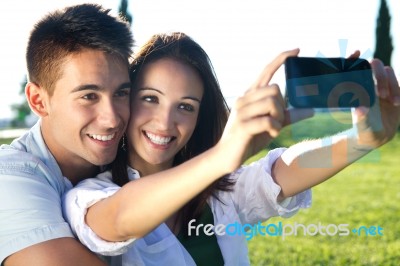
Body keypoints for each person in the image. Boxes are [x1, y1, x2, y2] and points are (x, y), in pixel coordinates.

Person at [63, 32, 400, 265]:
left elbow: (282, 170)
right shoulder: (89, 195)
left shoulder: (220, 196)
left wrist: (363, 140)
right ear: (126, 100)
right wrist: (223, 156)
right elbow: (118, 220)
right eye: (150, 98)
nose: (165, 123)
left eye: (186, 106)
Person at [0, 4, 133, 265]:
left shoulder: (137, 157)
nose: (112, 118)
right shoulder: (8, 179)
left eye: (121, 93)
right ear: (38, 101)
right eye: (88, 96)